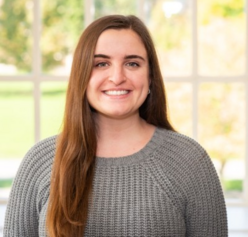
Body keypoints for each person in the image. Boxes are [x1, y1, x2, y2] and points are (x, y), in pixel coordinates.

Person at [3, 15, 228, 237]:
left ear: (150, 76)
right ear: (81, 76)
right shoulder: (40, 162)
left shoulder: (189, 161)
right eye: (101, 64)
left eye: (132, 63)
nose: (117, 77)